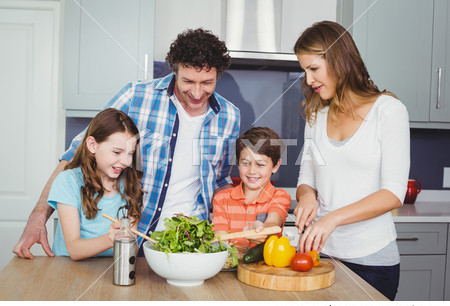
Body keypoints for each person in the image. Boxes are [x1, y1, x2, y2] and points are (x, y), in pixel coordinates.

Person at [13, 28, 240, 258]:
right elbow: (78, 151)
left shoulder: (230, 117)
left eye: (207, 83)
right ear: (174, 70)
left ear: (217, 76)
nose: (198, 92)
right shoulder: (137, 96)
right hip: (136, 238)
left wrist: (242, 220)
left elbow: (220, 181)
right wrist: (39, 215)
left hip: (189, 244)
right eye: (188, 81)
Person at [292, 21, 410, 300]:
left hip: (372, 264)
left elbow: (394, 193)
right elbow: (306, 179)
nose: (309, 80)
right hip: (320, 258)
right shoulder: (316, 116)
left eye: (313, 69)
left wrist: (332, 219)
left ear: (339, 61)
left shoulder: (389, 111)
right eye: (304, 71)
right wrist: (307, 196)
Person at [48, 109, 143, 260]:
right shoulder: (68, 181)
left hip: (110, 269)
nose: (126, 162)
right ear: (92, 145)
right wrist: (112, 237)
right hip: (67, 270)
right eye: (117, 152)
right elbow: (74, 250)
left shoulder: (130, 184)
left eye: (130, 154)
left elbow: (132, 252)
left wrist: (129, 241)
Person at [212, 127, 291, 248]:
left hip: (265, 266)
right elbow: (220, 238)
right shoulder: (222, 199)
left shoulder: (280, 197)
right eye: (245, 163)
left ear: (275, 165)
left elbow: (273, 223)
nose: (252, 171)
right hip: (230, 265)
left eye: (260, 164)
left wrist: (261, 229)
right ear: (238, 162)